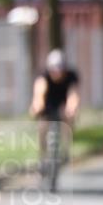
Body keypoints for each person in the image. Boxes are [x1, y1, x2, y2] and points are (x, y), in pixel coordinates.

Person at [29, 49, 80, 186]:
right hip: (48, 107)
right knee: (42, 129)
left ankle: (65, 150)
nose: (57, 73)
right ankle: (43, 158)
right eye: (54, 69)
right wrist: (37, 106)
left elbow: (73, 94)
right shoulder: (43, 77)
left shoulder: (71, 76)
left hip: (62, 107)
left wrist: (72, 107)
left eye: (60, 69)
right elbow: (39, 94)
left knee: (68, 121)